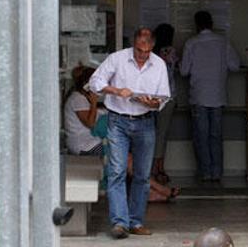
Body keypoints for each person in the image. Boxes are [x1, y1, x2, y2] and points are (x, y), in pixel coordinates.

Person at [89, 27, 170, 239]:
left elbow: (163, 97)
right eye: (138, 50)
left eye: (145, 51)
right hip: (118, 120)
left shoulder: (159, 64)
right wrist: (116, 90)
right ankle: (119, 223)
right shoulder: (117, 58)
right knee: (117, 171)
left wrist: (153, 103)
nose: (141, 55)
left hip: (145, 121)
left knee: (142, 175)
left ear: (152, 47)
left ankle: (136, 221)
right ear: (133, 44)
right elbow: (94, 82)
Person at [180, 11, 241, 182]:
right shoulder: (223, 42)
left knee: (201, 135)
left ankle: (205, 172)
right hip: (218, 95)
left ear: (197, 25)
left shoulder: (191, 43)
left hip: (198, 96)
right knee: (216, 135)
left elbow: (184, 71)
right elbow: (235, 66)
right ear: (212, 24)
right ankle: (217, 172)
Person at [151, 23, 178, 184]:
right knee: (162, 134)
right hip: (167, 98)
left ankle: (152, 168)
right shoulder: (171, 52)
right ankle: (159, 168)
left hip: (151, 98)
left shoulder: (151, 54)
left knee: (151, 133)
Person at [64, 66, 104, 156]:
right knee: (123, 154)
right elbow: (90, 123)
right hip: (84, 145)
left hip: (90, 141)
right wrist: (94, 103)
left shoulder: (82, 98)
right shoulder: (78, 99)